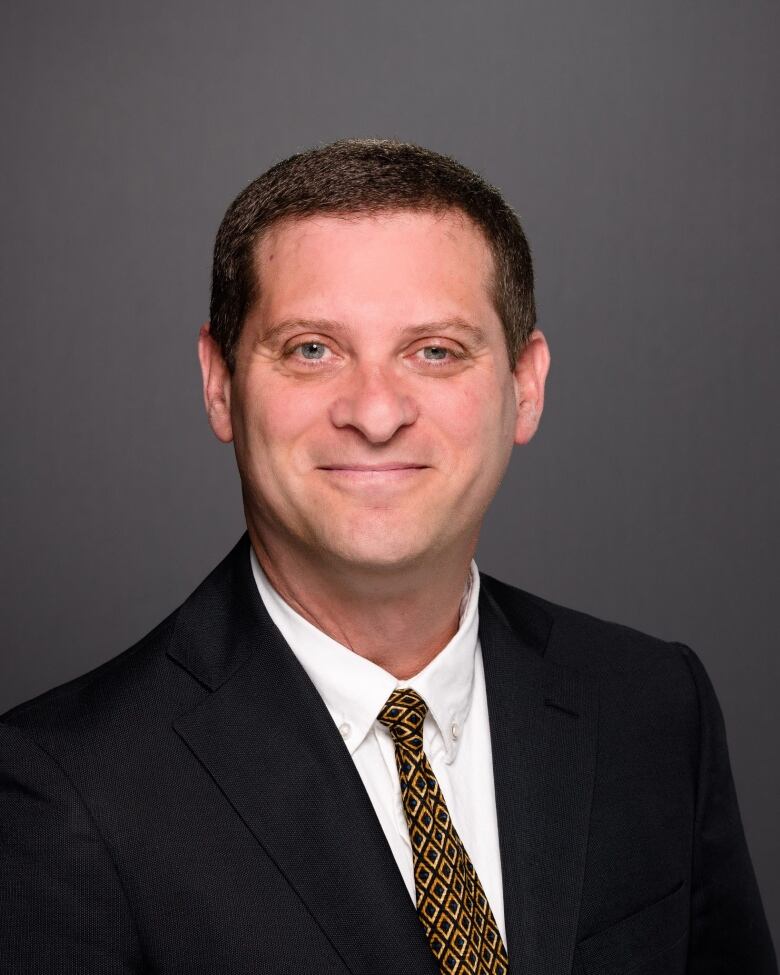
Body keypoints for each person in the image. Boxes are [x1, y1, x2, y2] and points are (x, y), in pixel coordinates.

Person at [0, 139, 775, 975]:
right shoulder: (65, 791)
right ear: (220, 382)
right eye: (311, 349)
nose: (374, 413)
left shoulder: (656, 707)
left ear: (528, 386)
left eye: (435, 350)